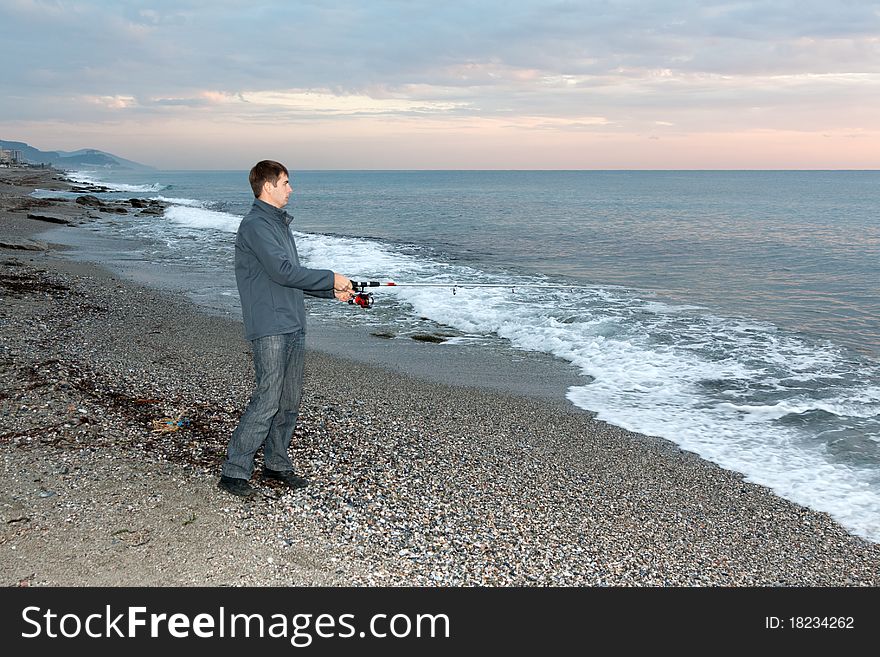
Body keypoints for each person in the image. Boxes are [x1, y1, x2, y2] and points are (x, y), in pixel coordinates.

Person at [218, 160, 353, 498]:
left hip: (292, 321)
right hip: (270, 325)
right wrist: (330, 275)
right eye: (286, 183)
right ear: (268, 186)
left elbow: (289, 278)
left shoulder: (278, 225)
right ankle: (235, 471)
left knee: (289, 400)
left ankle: (276, 464)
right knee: (267, 397)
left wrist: (331, 291)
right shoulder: (255, 225)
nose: (291, 189)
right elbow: (282, 271)